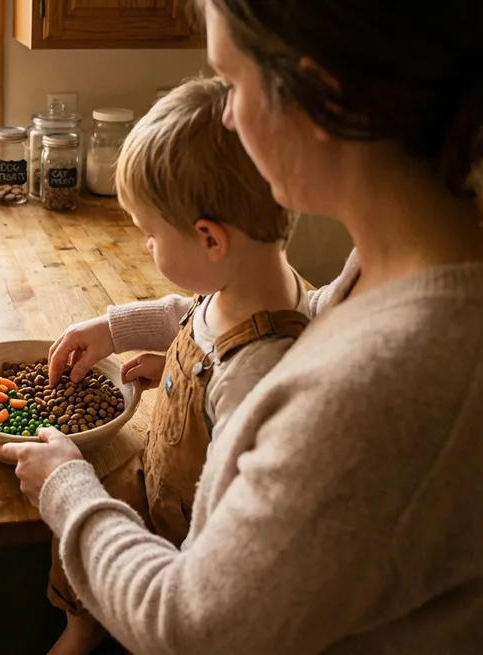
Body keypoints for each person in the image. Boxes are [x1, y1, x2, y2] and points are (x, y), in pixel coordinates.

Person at [0, 1, 483, 653]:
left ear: (324, 93)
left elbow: (189, 624)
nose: (229, 116)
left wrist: (68, 489)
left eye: (233, 84)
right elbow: (300, 328)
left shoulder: (385, 389)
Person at [43, 76, 311, 655]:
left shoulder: (259, 380)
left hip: (185, 558)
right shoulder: (244, 286)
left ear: (209, 240)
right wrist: (112, 329)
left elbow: (218, 583)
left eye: (149, 236)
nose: (145, 248)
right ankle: (82, 625)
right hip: (157, 487)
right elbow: (191, 314)